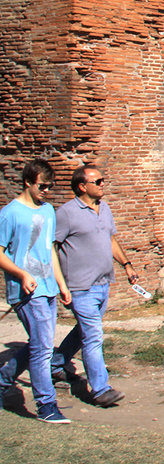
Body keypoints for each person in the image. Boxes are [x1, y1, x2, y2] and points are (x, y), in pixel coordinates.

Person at [50, 164, 137, 407]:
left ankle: (56, 364)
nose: (102, 184)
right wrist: (60, 284)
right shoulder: (66, 213)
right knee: (93, 336)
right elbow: (52, 247)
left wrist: (127, 265)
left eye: (102, 180)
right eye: (97, 181)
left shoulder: (104, 208)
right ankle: (101, 390)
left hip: (102, 283)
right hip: (80, 287)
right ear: (82, 186)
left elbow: (109, 239)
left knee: (85, 331)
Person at [0, 159, 73, 424]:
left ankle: (2, 380)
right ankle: (46, 405)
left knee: (38, 344)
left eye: (50, 186)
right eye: (42, 186)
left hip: (48, 288)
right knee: (42, 349)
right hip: (26, 291)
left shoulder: (49, 210)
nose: (46, 191)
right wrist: (21, 275)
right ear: (28, 182)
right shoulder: (10, 213)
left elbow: (49, 250)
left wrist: (62, 285)